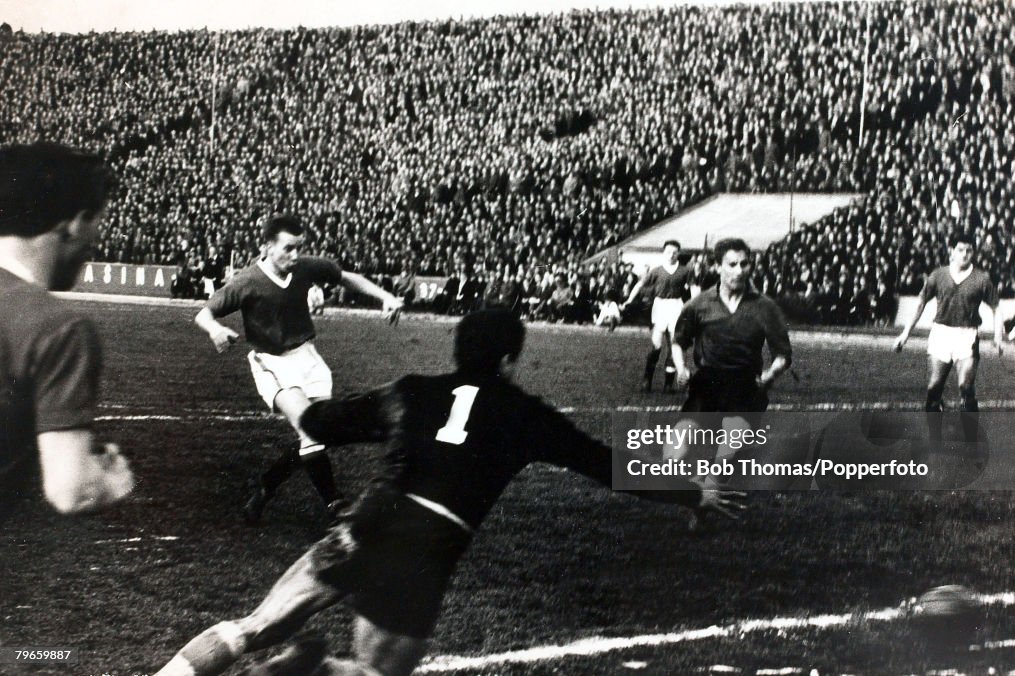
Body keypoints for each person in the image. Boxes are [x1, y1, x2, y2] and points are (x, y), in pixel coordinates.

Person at [154, 309, 745, 676]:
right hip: (424, 549)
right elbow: (610, 466)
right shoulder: (524, 414)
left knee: (252, 627)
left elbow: (318, 424)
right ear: (510, 359)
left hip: (365, 524)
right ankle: (312, 670)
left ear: (456, 349)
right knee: (375, 673)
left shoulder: (411, 390)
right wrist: (695, 495)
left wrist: (279, 386)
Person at [194, 215, 403, 524]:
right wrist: (215, 330)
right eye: (288, 248)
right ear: (267, 247)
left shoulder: (305, 267)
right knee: (310, 427)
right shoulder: (247, 281)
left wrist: (385, 296)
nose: (295, 256)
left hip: (308, 358)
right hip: (272, 361)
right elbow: (204, 313)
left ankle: (267, 487)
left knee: (317, 434)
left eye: (299, 248)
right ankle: (335, 505)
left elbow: (345, 277)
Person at [0, 142, 134, 520]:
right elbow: (71, 490)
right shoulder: (57, 328)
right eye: (98, 222)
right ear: (77, 222)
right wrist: (113, 481)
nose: (95, 240)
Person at [675, 238, 792, 413]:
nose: (739, 271)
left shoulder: (765, 307)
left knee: (731, 440)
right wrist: (681, 368)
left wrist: (771, 374)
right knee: (679, 439)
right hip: (707, 384)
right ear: (718, 266)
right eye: (732, 264)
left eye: (744, 264)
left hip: (745, 385)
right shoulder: (698, 304)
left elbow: (783, 353)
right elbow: (679, 341)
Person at [893, 231, 1005, 412]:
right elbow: (920, 303)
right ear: (951, 251)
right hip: (941, 334)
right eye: (960, 250)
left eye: (969, 250)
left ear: (973, 252)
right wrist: (905, 334)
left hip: (967, 335)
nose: (965, 254)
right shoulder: (938, 276)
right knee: (934, 388)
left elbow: (996, 308)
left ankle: (970, 433)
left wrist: (998, 337)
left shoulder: (981, 279)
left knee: (965, 387)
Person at [623, 240, 690, 392]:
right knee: (657, 346)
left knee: (674, 345)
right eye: (668, 252)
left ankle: (668, 384)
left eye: (674, 252)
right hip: (660, 306)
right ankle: (647, 380)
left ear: (678, 253)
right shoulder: (657, 270)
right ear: (663, 253)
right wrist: (629, 299)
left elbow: (694, 289)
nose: (671, 255)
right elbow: (640, 285)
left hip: (676, 306)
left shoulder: (685, 271)